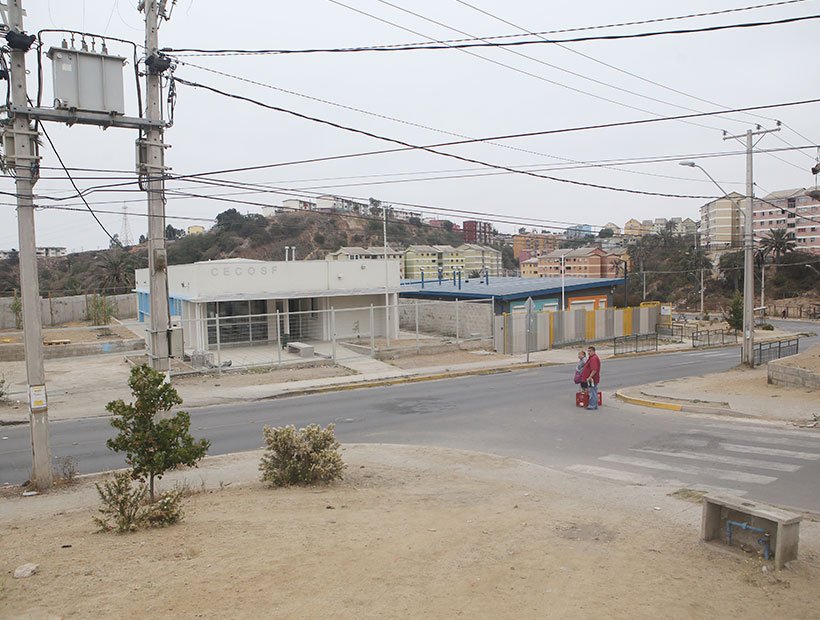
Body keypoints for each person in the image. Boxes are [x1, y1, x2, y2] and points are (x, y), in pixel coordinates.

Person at [581, 345, 601, 410]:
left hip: (593, 379)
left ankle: (592, 405)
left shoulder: (594, 359)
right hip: (591, 378)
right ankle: (595, 405)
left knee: (592, 392)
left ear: (594, 351)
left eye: (590, 351)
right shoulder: (591, 358)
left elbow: (594, 369)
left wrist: (590, 376)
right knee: (594, 390)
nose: (589, 352)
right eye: (588, 351)